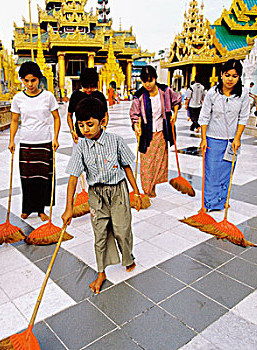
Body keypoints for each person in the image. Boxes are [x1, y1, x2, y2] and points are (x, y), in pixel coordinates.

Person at [62, 96, 141, 294]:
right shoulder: (81, 147)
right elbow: (73, 179)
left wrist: (136, 192)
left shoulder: (116, 141)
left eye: (90, 124)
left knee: (122, 230)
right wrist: (68, 208)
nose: (85, 129)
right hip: (96, 195)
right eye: (80, 125)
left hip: (118, 192)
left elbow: (127, 166)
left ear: (103, 121)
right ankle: (101, 272)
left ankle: (128, 256)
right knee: (100, 234)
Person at [8, 61, 61, 220]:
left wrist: (55, 138)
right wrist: (12, 140)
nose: (30, 84)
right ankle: (27, 208)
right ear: (22, 80)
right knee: (27, 178)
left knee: (43, 178)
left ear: (39, 79)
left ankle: (41, 210)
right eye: (26, 80)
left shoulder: (48, 96)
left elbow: (57, 118)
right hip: (26, 143)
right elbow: (14, 121)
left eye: (33, 80)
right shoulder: (18, 98)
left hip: (44, 142)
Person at [199, 59, 249, 211]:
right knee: (212, 173)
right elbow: (204, 117)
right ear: (221, 75)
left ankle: (222, 200)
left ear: (239, 77)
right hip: (213, 140)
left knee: (227, 173)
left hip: (231, 142)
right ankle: (209, 203)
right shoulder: (212, 93)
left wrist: (237, 138)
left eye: (234, 76)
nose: (230, 79)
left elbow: (243, 117)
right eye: (227, 75)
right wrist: (203, 139)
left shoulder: (243, 94)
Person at [129, 65, 181, 198]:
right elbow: (134, 114)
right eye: (144, 81)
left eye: (150, 80)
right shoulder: (139, 96)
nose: (147, 84)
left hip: (162, 131)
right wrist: (136, 126)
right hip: (147, 133)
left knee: (159, 161)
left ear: (155, 79)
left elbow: (177, 100)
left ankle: (153, 185)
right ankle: (147, 189)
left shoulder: (165, 90)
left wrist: (174, 114)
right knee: (147, 162)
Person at [67, 68, 108, 144]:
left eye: (92, 87)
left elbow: (105, 114)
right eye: (86, 87)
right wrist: (72, 131)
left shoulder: (99, 96)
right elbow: (69, 115)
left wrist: (104, 127)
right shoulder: (76, 96)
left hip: (97, 136)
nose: (89, 89)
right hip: (80, 135)